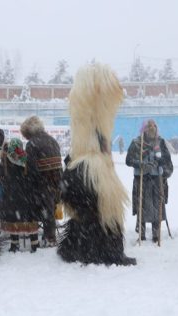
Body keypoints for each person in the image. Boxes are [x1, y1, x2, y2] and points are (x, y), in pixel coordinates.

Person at [57, 63, 136, 266]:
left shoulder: (84, 118)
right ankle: (99, 250)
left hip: (85, 168)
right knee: (103, 214)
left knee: (91, 216)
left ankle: (85, 249)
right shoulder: (91, 123)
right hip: (92, 169)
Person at [126, 119, 173, 242]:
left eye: (153, 125)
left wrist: (157, 162)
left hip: (156, 179)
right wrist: (141, 164)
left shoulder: (161, 142)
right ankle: (141, 234)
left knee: (156, 206)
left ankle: (156, 235)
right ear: (144, 128)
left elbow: (167, 159)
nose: (151, 127)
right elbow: (128, 160)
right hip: (141, 179)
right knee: (141, 206)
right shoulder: (136, 143)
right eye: (149, 126)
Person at [20, 116, 62, 247]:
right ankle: (50, 237)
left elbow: (31, 168)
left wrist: (27, 184)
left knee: (35, 210)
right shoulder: (53, 140)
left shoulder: (32, 144)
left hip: (40, 183)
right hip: (55, 182)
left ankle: (35, 238)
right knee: (49, 211)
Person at [0, 138, 40, 252]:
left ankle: (14, 245)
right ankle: (34, 244)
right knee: (30, 218)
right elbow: (35, 175)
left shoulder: (5, 159)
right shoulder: (27, 158)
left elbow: (1, 175)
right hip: (27, 194)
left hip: (12, 194)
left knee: (13, 218)